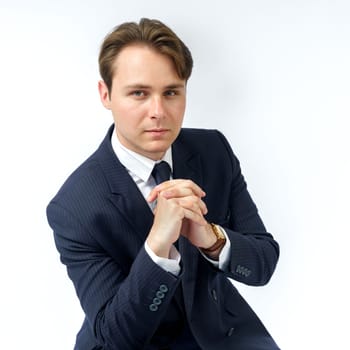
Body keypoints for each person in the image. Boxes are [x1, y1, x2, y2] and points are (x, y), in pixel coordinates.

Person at [47, 18, 280, 350]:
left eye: (171, 92)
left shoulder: (214, 151)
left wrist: (211, 239)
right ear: (106, 94)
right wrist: (157, 247)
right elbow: (116, 336)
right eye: (139, 93)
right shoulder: (74, 206)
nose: (158, 111)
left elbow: (263, 263)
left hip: (220, 333)